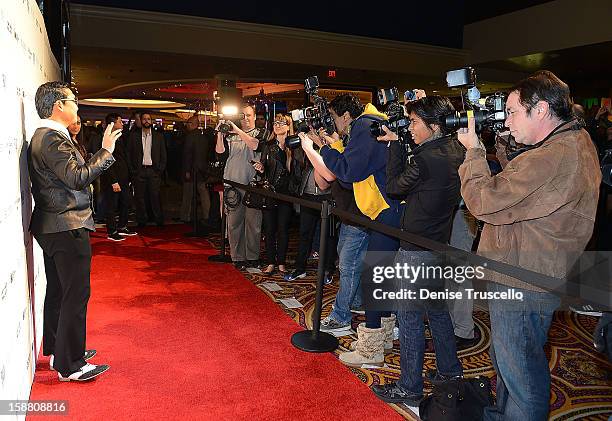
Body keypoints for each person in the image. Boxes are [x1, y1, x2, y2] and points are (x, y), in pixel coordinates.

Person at [457, 70, 601, 420]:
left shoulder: (552, 157)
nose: (506, 119)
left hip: (523, 279)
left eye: (511, 111)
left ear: (540, 111)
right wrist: (510, 152)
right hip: (532, 271)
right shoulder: (568, 143)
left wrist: (475, 153)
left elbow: (485, 201)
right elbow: (530, 196)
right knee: (512, 365)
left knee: (520, 373)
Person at [370, 96, 465, 405]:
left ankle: (409, 386)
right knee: (437, 314)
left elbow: (394, 187)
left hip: (416, 248)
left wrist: (395, 145)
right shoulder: (455, 150)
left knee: (409, 320)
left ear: (434, 126)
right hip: (438, 243)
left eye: (413, 123)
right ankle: (450, 372)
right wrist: (402, 139)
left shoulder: (426, 159)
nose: (409, 128)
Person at [28, 81, 121, 381]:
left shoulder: (48, 136)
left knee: (59, 290)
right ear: (59, 106)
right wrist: (106, 151)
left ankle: (59, 351)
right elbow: (77, 177)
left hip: (56, 224)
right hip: (66, 225)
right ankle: (71, 365)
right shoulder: (52, 139)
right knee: (75, 293)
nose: (77, 106)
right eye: (73, 101)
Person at [317, 93, 403, 366]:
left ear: (344, 115)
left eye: (333, 118)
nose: (334, 123)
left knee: (376, 279)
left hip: (384, 210)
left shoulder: (365, 126)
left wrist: (326, 150)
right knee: (382, 277)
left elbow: (349, 170)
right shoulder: (374, 121)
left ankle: (371, 349)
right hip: (389, 208)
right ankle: (384, 337)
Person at [215, 104, 262, 269]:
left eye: (249, 115)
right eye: (243, 116)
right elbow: (220, 151)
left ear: (255, 116)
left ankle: (253, 256)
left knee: (253, 224)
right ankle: (237, 257)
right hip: (232, 183)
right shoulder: (231, 135)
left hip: (252, 185)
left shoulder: (260, 133)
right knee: (234, 223)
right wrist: (220, 134)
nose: (246, 119)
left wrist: (235, 128)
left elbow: (253, 144)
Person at [253, 114, 294, 274]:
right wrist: (261, 168)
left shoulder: (294, 145)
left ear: (288, 126)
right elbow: (263, 167)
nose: (277, 125)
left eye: (281, 123)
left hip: (286, 193)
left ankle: (281, 262)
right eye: (275, 123)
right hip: (270, 191)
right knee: (269, 229)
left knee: (283, 228)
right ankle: (271, 262)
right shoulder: (268, 145)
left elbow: (296, 171)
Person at [100, 113, 136, 241]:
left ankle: (122, 226)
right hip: (113, 179)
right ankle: (112, 231)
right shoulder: (107, 139)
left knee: (125, 202)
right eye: (120, 121)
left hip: (124, 177)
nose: (122, 124)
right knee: (112, 205)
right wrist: (113, 181)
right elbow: (107, 162)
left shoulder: (121, 137)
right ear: (113, 124)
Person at [128, 111, 167, 227]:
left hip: (153, 171)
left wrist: (160, 169)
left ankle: (158, 219)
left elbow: (163, 154)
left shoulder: (158, 136)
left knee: (155, 196)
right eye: (144, 119)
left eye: (148, 119)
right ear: (140, 121)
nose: (146, 121)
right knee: (140, 197)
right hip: (139, 171)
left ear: (151, 121)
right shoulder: (134, 136)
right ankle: (142, 220)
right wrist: (133, 170)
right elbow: (128, 154)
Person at [181, 115, 211, 225]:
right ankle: (207, 215)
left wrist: (187, 170)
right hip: (202, 169)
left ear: (193, 124)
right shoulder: (203, 137)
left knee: (188, 194)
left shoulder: (190, 137)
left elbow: (187, 155)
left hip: (192, 169)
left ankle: (185, 216)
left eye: (188, 123)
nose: (186, 125)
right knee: (203, 193)